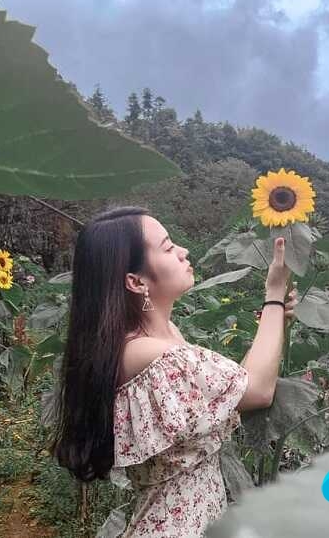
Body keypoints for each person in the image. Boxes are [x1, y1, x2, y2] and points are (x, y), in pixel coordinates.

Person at [49, 205, 297, 537]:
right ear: (136, 281)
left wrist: (273, 318)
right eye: (168, 248)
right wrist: (274, 293)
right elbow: (257, 390)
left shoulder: (153, 341)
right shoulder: (154, 356)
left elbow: (228, 388)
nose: (183, 251)